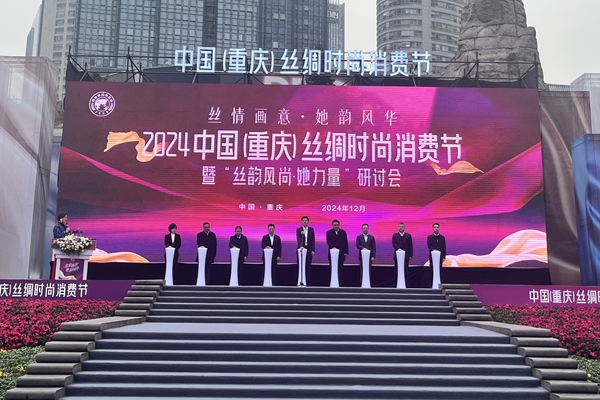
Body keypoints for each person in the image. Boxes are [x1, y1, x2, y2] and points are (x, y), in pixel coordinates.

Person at [326, 219, 348, 285]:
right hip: (332, 253)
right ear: (332, 225)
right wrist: (333, 247)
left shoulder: (343, 232)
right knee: (332, 268)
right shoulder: (329, 232)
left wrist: (346, 251)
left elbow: (345, 242)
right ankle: (332, 282)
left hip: (341, 253)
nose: (336, 226)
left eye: (337, 225)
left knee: (340, 269)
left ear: (339, 225)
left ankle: (340, 283)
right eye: (334, 225)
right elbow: (328, 242)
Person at [296, 216, 315, 286]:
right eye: (303, 220)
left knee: (308, 266)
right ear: (301, 222)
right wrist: (301, 246)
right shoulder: (299, 229)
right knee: (301, 265)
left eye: (306, 220)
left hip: (309, 249)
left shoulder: (311, 229)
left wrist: (313, 250)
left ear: (308, 221)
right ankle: (300, 280)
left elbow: (313, 240)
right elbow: (298, 238)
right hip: (301, 249)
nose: (304, 221)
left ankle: (308, 282)